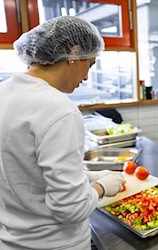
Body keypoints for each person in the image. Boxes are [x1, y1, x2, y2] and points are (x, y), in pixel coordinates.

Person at [0, 16, 126, 249]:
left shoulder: (4, 93)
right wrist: (103, 187)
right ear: (73, 52)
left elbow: (25, 169)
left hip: (10, 240)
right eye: (89, 64)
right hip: (55, 243)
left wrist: (88, 177)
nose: (87, 76)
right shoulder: (60, 110)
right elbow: (72, 208)